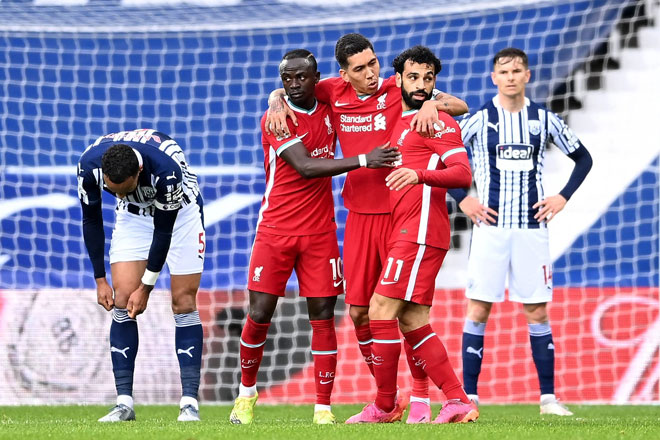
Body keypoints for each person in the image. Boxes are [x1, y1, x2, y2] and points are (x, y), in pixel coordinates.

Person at [266, 33, 468, 423]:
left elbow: (458, 104)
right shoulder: (331, 91)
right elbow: (292, 86)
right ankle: (388, 399)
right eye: (360, 68)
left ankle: (422, 396)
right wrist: (276, 100)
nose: (371, 73)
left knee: (404, 310)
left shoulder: (398, 84)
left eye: (374, 63)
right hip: (359, 215)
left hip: (399, 213)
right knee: (360, 314)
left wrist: (432, 106)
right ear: (344, 73)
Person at [229, 49, 400, 426]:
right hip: (275, 230)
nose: (293, 85)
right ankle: (245, 394)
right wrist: (362, 161)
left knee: (323, 317)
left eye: (301, 78)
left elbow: (365, 88)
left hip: (321, 233)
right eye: (286, 79)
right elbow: (306, 167)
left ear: (316, 77)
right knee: (259, 314)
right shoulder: (277, 117)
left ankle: (323, 407)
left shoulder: (330, 101)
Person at [449, 47, 593, 415]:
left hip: (532, 229)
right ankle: (470, 398)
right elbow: (440, 156)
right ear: (493, 77)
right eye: (504, 71)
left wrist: (562, 197)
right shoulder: (480, 119)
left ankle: (548, 399)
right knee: (478, 309)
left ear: (527, 76)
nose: (511, 76)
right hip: (490, 230)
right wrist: (462, 199)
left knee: (537, 312)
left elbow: (583, 157)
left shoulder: (543, 119)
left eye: (517, 70)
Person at [346, 45, 478, 424]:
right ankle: (457, 400)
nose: (421, 86)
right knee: (413, 320)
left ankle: (386, 405)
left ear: (435, 82)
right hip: (408, 229)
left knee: (379, 310)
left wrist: (418, 174)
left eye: (428, 79)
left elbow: (461, 174)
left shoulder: (435, 121)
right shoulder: (405, 119)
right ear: (399, 80)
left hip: (419, 232)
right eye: (413, 77)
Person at [77, 128, 205, 422]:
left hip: (181, 214)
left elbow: (163, 232)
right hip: (134, 216)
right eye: (113, 190)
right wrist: (99, 279)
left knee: (183, 301)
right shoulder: (88, 166)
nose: (117, 194)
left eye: (123, 188)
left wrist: (146, 287)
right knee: (121, 299)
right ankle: (124, 404)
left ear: (139, 172)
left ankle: (189, 404)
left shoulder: (166, 172)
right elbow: (91, 218)